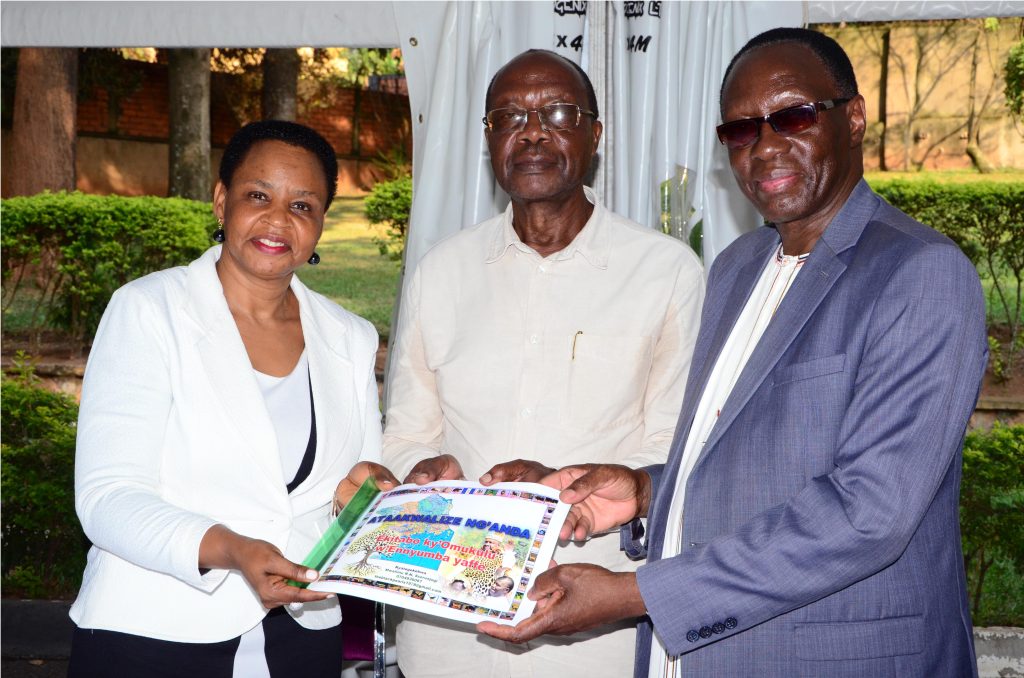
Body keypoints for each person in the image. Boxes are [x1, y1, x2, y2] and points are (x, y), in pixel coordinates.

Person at [479, 28, 988, 678]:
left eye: (793, 117)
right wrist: (641, 491)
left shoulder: (919, 273)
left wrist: (637, 595)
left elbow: (869, 513)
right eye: (741, 130)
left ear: (854, 119)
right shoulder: (736, 268)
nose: (766, 146)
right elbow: (744, 464)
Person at [382, 49, 705, 678]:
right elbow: (406, 437)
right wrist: (424, 470)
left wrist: (563, 486)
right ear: (489, 139)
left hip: (597, 620)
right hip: (449, 622)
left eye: (557, 113)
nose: (532, 132)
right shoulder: (441, 273)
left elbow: (676, 449)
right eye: (509, 117)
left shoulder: (664, 272)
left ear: (594, 134)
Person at [69, 120, 398, 678]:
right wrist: (232, 549)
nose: (278, 220)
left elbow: (351, 492)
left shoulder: (349, 337)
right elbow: (107, 498)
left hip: (301, 631)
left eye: (303, 206)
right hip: (154, 628)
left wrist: (364, 487)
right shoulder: (149, 310)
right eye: (258, 196)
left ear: (320, 225)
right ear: (222, 201)